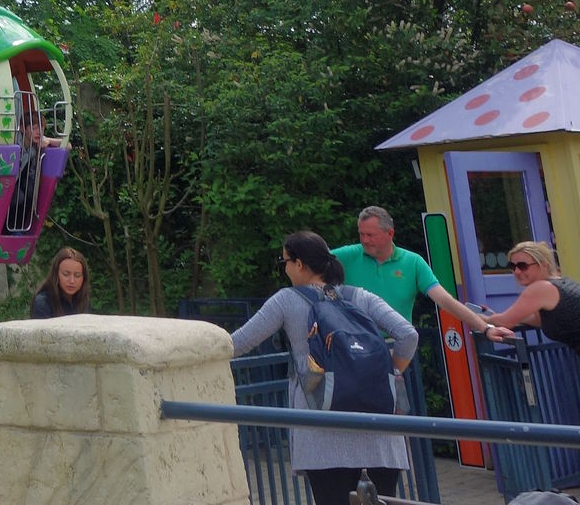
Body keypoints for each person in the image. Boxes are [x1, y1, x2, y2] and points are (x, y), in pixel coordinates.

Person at [229, 232, 419, 505]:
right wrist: (391, 370)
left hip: (322, 434)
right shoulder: (360, 296)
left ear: (299, 264)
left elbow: (237, 343)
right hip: (380, 435)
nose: (284, 269)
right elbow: (408, 335)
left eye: (284, 262)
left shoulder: (286, 300)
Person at [331, 205, 491, 331]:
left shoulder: (413, 262)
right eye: (361, 234)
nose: (364, 240)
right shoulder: (348, 255)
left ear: (390, 233)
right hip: (355, 345)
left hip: (399, 345)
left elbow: (444, 300)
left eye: (370, 235)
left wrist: (485, 328)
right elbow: (315, 260)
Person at [475, 241, 580, 354]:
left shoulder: (541, 288)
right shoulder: (560, 282)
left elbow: (505, 322)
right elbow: (538, 320)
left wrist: (478, 318)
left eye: (523, 266)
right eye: (512, 266)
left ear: (543, 265)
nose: (517, 271)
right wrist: (503, 317)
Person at [31, 248, 91, 317]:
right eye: (66, 274)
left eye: (77, 275)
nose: (72, 281)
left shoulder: (83, 299)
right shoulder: (43, 302)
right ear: (56, 274)